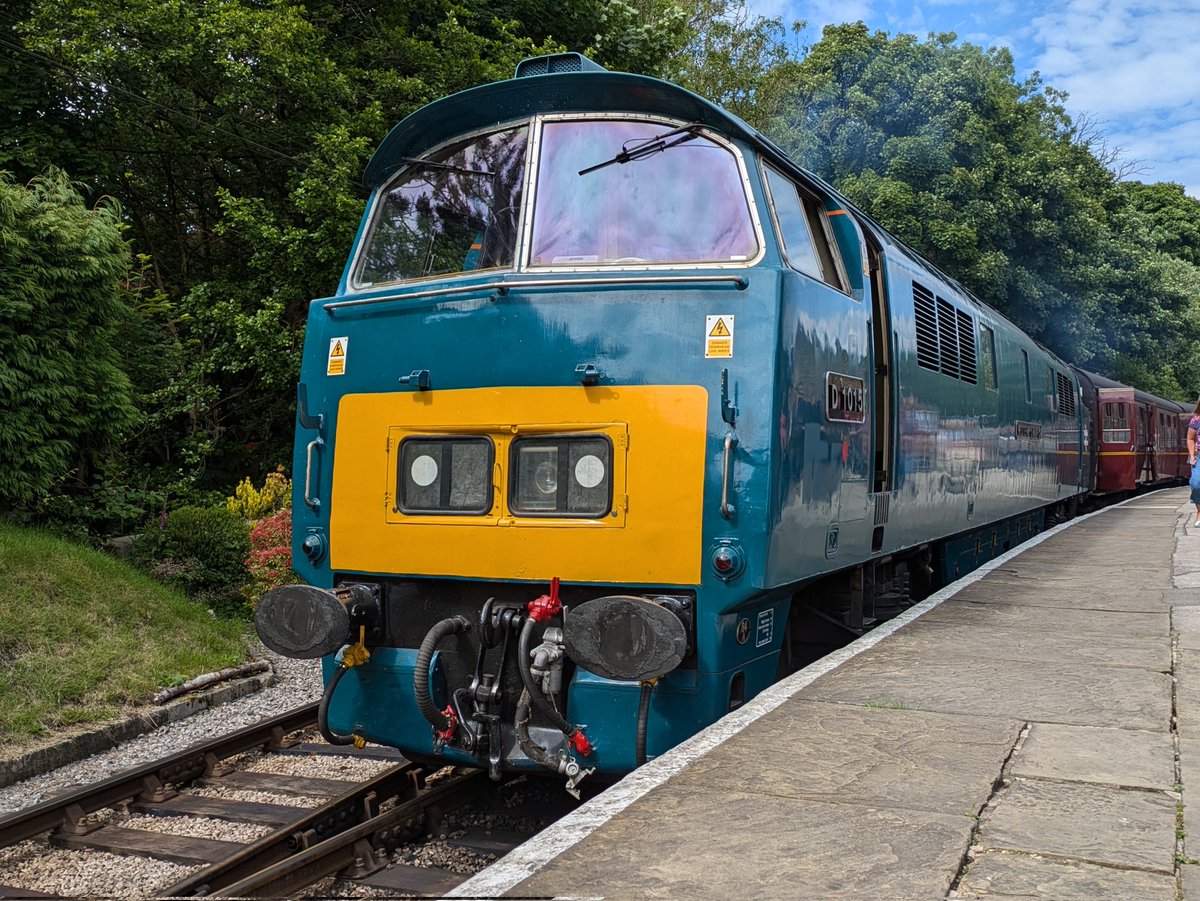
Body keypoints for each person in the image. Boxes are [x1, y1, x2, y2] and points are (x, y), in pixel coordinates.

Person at [1189, 400, 1200, 526]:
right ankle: (1199, 512)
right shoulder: (1196, 420)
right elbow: (1190, 438)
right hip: (1198, 456)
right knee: (1196, 483)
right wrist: (1192, 455)